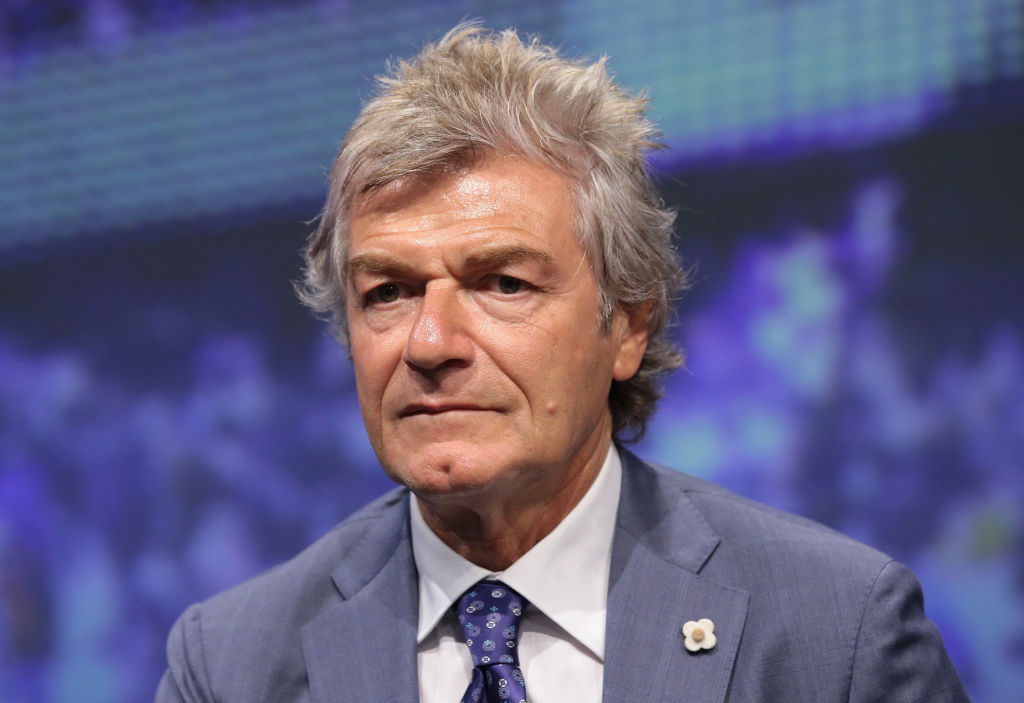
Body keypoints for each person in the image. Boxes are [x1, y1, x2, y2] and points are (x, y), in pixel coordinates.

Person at [156, 24, 968, 702]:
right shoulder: (229, 666)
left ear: (628, 326)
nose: (431, 343)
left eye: (502, 282)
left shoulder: (840, 638)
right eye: (390, 292)